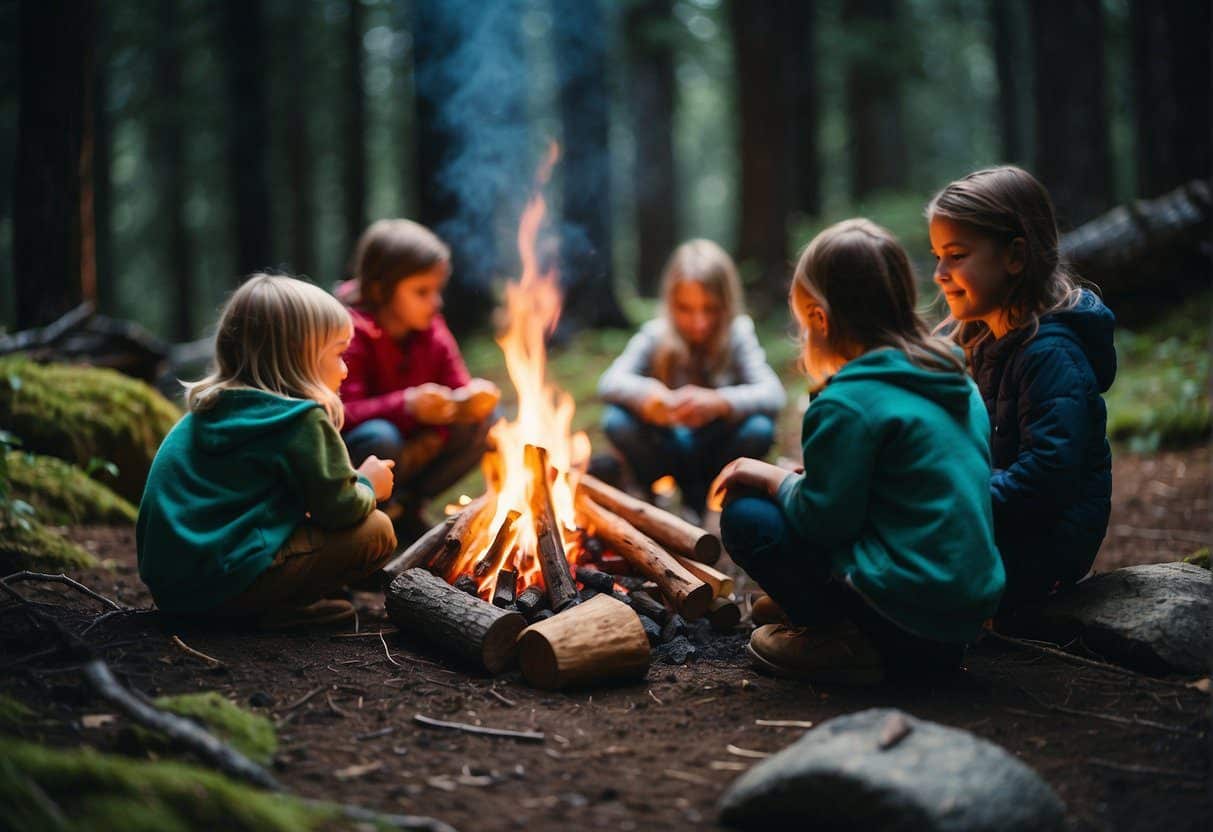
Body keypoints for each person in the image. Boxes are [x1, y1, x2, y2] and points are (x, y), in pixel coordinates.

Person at [711, 219, 1005, 684]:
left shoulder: (846, 402)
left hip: (902, 617)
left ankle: (844, 639)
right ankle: (861, 626)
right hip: (960, 616)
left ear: (820, 318)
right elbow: (905, 484)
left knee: (747, 513)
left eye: (802, 321)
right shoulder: (953, 379)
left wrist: (772, 477)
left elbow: (823, 522)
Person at [138, 274, 397, 629]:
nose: (345, 369)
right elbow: (340, 509)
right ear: (300, 356)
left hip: (175, 595)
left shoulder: (201, 415)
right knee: (377, 530)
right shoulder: (299, 420)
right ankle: (276, 611)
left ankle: (264, 603)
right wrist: (368, 484)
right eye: (338, 353)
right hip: (230, 584)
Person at [927, 166, 1116, 612]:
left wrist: (952, 494)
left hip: (1043, 546)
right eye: (937, 256)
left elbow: (1045, 479)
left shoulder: (1049, 354)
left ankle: (843, 620)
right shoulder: (981, 341)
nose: (939, 273)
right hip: (1000, 525)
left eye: (956, 255)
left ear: (1015, 256)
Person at [596, 239, 784, 518]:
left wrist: (721, 402)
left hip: (714, 447)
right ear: (671, 303)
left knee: (759, 428)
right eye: (686, 308)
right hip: (667, 444)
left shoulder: (737, 334)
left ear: (727, 303)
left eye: (710, 308)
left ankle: (715, 497)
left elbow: (773, 393)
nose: (699, 322)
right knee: (616, 420)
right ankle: (654, 497)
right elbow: (610, 381)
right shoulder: (656, 334)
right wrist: (648, 397)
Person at [336, 219, 500, 537]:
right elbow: (340, 412)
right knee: (381, 438)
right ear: (380, 289)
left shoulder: (431, 328)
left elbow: (457, 386)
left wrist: (470, 399)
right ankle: (370, 515)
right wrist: (407, 405)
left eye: (438, 290)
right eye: (422, 292)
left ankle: (408, 507)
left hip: (415, 444)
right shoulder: (346, 329)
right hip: (362, 453)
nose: (436, 302)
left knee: (487, 420)